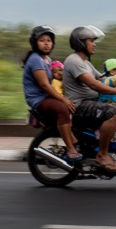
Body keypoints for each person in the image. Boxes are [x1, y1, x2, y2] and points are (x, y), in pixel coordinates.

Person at [62, 25, 116, 172]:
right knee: (113, 112)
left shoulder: (86, 63)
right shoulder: (74, 61)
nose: (94, 44)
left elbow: (103, 79)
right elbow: (94, 85)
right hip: (81, 106)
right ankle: (102, 154)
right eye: (91, 41)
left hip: (91, 103)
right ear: (81, 42)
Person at [22, 26, 80, 162]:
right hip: (38, 98)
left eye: (49, 40)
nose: (47, 43)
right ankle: (71, 148)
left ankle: (74, 136)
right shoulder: (35, 59)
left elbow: (58, 77)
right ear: (35, 42)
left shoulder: (47, 59)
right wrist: (64, 100)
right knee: (63, 108)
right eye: (42, 40)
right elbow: (44, 85)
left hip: (47, 96)